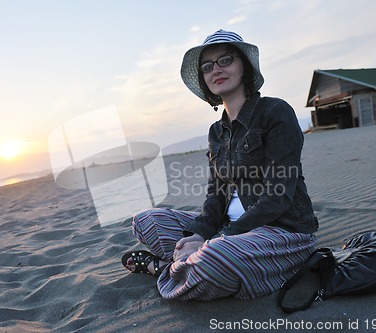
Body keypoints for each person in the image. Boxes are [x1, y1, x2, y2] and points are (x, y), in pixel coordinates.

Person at [121, 29, 319, 300]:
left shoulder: (275, 112)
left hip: (281, 231)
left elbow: (278, 196)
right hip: (228, 229)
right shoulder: (216, 132)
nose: (216, 69)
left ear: (244, 67)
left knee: (215, 256)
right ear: (203, 79)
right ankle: (191, 265)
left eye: (226, 60)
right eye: (207, 66)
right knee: (146, 220)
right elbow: (216, 195)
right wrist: (201, 233)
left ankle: (163, 268)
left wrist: (214, 240)